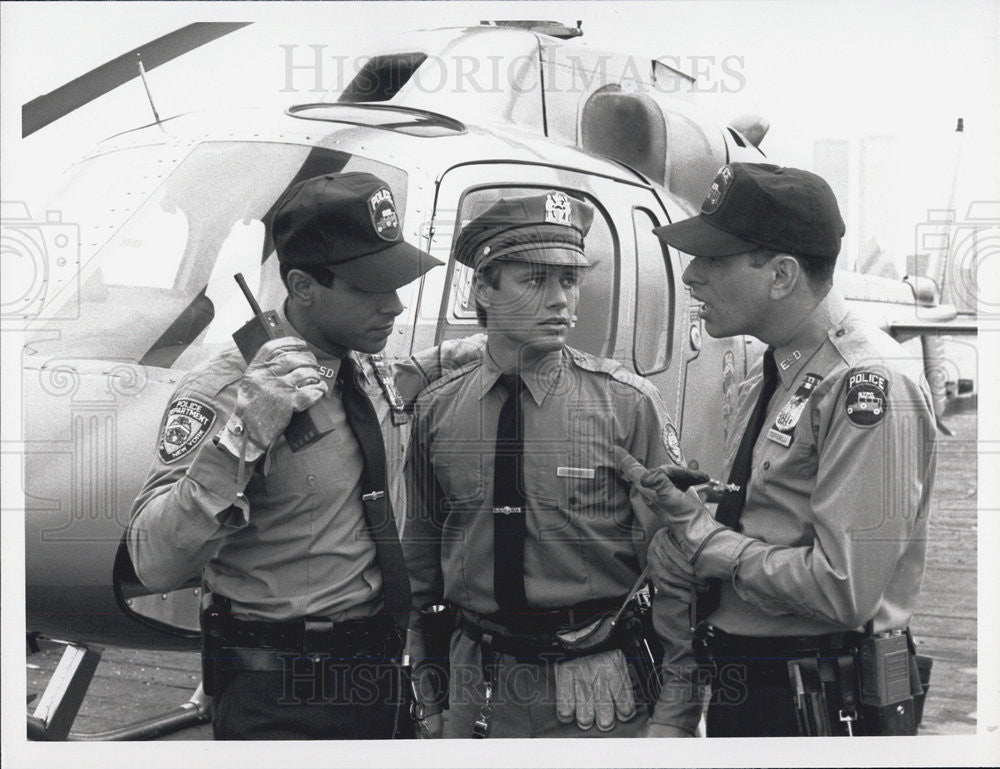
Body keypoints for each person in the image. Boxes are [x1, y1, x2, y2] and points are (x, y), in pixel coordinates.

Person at [127, 171, 471, 739]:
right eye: (368, 287)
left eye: (395, 281)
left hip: (379, 679)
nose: (394, 304)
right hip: (282, 696)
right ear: (303, 286)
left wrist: (448, 357)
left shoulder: (357, 361)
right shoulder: (227, 392)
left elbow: (375, 400)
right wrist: (243, 436)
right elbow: (153, 562)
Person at [620, 162, 937, 737]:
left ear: (782, 274)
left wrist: (705, 541)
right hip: (758, 686)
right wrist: (701, 511)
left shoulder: (866, 384)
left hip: (819, 703)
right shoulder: (775, 375)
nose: (691, 277)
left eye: (714, 260)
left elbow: (843, 589)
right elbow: (775, 516)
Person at [402, 190, 705, 739]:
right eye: (534, 281)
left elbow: (680, 577)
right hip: (478, 689)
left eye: (568, 281)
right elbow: (420, 568)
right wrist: (429, 695)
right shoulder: (437, 411)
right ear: (484, 288)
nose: (560, 300)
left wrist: (676, 720)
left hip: (599, 693)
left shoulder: (627, 406)